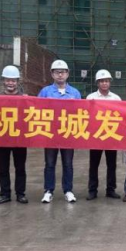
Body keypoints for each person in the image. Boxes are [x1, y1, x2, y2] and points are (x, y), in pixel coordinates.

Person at [38, 59, 81, 203]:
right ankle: (48, 190)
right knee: (50, 164)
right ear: (52, 74)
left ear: (68, 74)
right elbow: (37, 111)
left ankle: (68, 190)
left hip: (68, 134)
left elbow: (81, 114)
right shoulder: (45, 92)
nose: (60, 75)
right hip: (50, 135)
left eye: (63, 72)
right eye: (57, 72)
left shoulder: (74, 93)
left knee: (68, 164)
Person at [86, 69, 121, 201]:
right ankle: (92, 190)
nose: (104, 83)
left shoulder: (116, 98)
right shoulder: (90, 98)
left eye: (106, 81)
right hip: (96, 136)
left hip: (111, 135)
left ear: (110, 82)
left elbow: (122, 116)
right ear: (97, 83)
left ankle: (110, 190)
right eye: (101, 81)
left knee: (111, 164)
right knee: (94, 164)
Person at [0, 65, 27, 204]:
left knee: (20, 168)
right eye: (8, 80)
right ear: (3, 81)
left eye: (13, 80)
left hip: (20, 139)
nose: (10, 83)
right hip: (2, 138)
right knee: (3, 168)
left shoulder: (24, 99)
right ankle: (5, 194)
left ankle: (20, 194)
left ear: (17, 82)